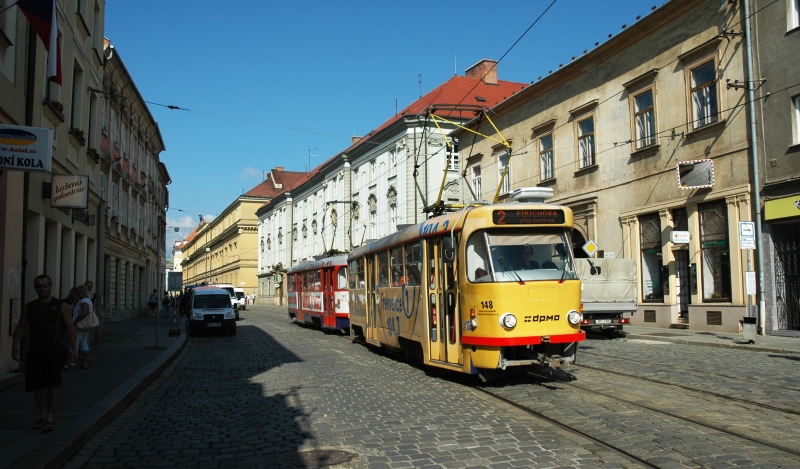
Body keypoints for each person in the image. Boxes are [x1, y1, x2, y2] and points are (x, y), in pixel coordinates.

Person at [11, 275, 77, 433]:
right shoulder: (29, 307)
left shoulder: (61, 306)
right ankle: (43, 415)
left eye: (45, 285)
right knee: (38, 385)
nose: (42, 289)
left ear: (51, 286)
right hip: (35, 349)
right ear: (35, 288)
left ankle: (50, 417)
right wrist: (15, 345)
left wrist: (74, 349)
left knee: (53, 383)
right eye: (38, 286)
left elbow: (70, 327)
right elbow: (21, 326)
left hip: (55, 349)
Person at [71, 285, 93, 369]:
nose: (78, 293)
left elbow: (84, 312)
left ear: (84, 293)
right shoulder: (88, 300)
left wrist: (75, 321)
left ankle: (72, 361)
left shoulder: (84, 301)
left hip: (80, 325)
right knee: (84, 343)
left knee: (75, 342)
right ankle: (84, 362)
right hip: (87, 325)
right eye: (78, 292)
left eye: (80, 292)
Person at [83, 281, 96, 361]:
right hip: (84, 317)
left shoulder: (94, 295)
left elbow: (95, 307)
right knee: (84, 339)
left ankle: (87, 355)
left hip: (90, 317)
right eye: (88, 286)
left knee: (87, 338)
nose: (89, 287)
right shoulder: (83, 296)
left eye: (91, 286)